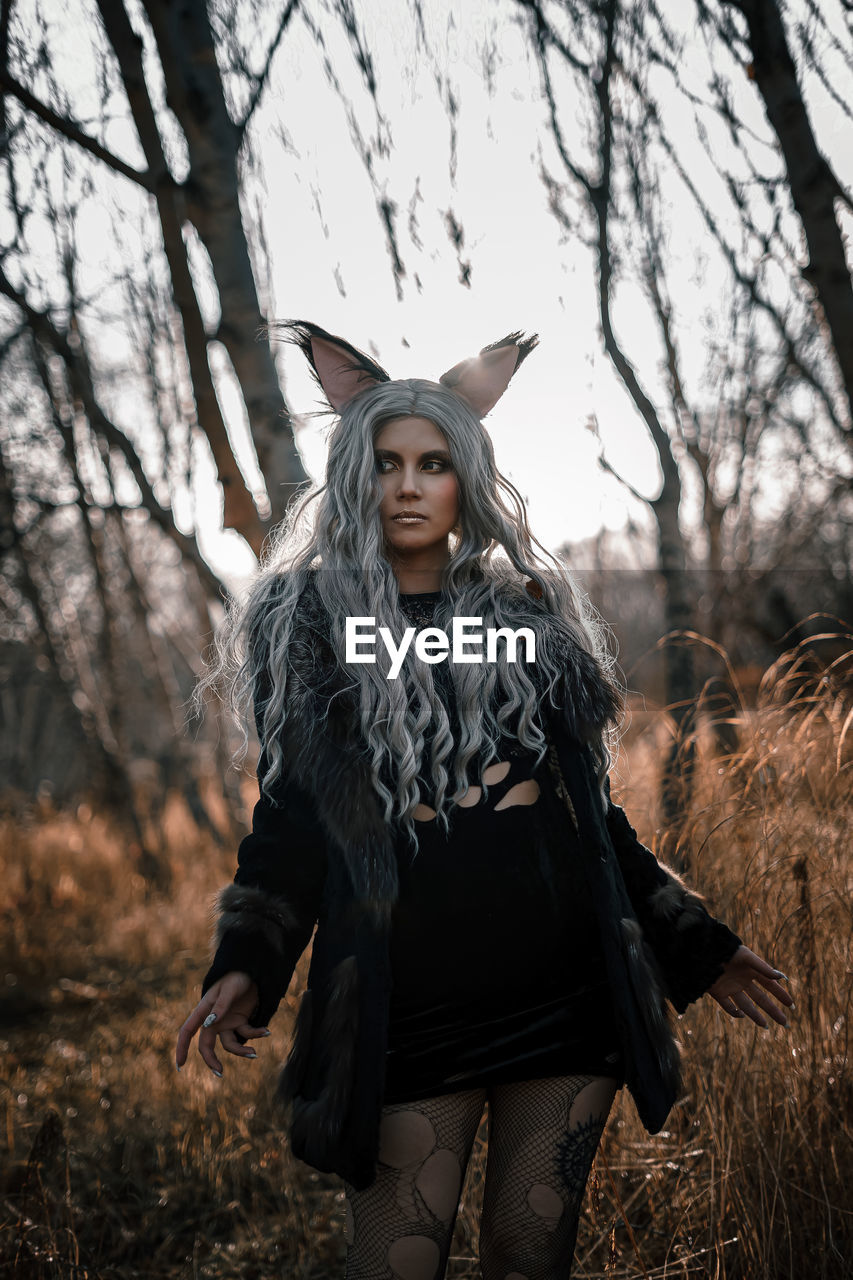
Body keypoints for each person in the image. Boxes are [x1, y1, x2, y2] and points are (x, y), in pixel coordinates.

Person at [175, 323, 794, 1280]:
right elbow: (292, 825)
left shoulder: (528, 621)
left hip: (564, 1001)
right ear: (353, 476)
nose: (410, 485)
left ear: (467, 475)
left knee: (529, 1254)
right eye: (386, 464)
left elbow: (591, 827)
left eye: (434, 462)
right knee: (396, 1264)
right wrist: (246, 963)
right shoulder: (312, 629)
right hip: (404, 1014)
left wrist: (695, 942)